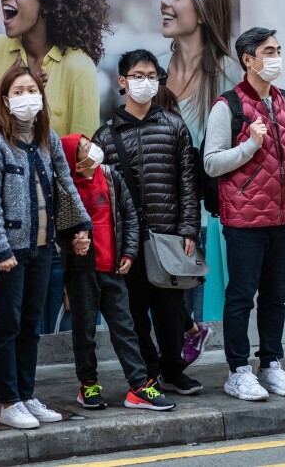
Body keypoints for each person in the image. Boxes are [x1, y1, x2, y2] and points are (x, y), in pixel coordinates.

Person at [0, 0, 110, 335]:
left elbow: (84, 170)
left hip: (53, 238)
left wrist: (74, 261)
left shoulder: (79, 67)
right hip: (0, 227)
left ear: (49, 1)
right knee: (5, 333)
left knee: (47, 342)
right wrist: (7, 93)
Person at [0, 65, 92, 429]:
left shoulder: (47, 140)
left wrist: (80, 227)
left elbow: (65, 184)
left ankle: (27, 395)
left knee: (31, 327)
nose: (28, 97)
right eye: (20, 91)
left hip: (43, 249)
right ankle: (8, 401)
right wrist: (0, 249)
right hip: (10, 253)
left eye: (33, 90)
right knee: (7, 327)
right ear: (6, 101)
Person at [203, 27, 285, 401]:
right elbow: (212, 163)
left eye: (278, 49)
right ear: (247, 60)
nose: (275, 57)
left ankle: (272, 365)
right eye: (268, 51)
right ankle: (238, 370)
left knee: (275, 297)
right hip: (245, 219)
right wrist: (250, 145)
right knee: (241, 297)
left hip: (284, 217)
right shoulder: (227, 106)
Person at [92, 49, 202, 396]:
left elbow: (188, 182)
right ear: (123, 82)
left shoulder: (174, 126)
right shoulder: (105, 137)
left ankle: (174, 370)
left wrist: (188, 229)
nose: (145, 82)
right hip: (127, 244)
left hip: (168, 236)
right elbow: (101, 196)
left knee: (171, 310)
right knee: (134, 312)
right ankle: (148, 372)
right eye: (137, 76)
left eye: (151, 76)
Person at [59, 133, 176, 411]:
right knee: (84, 332)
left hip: (113, 268)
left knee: (125, 328)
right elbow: (58, 229)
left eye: (90, 145)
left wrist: (129, 253)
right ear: (73, 162)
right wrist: (71, 242)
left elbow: (130, 216)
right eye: (85, 149)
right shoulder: (65, 188)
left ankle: (138, 386)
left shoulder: (111, 177)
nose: (93, 151)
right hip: (82, 272)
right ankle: (87, 385)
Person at [158, 0, 238, 357]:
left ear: (204, 8)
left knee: (186, 322)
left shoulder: (230, 77)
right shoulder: (151, 72)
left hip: (202, 224)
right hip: (152, 221)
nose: (165, 2)